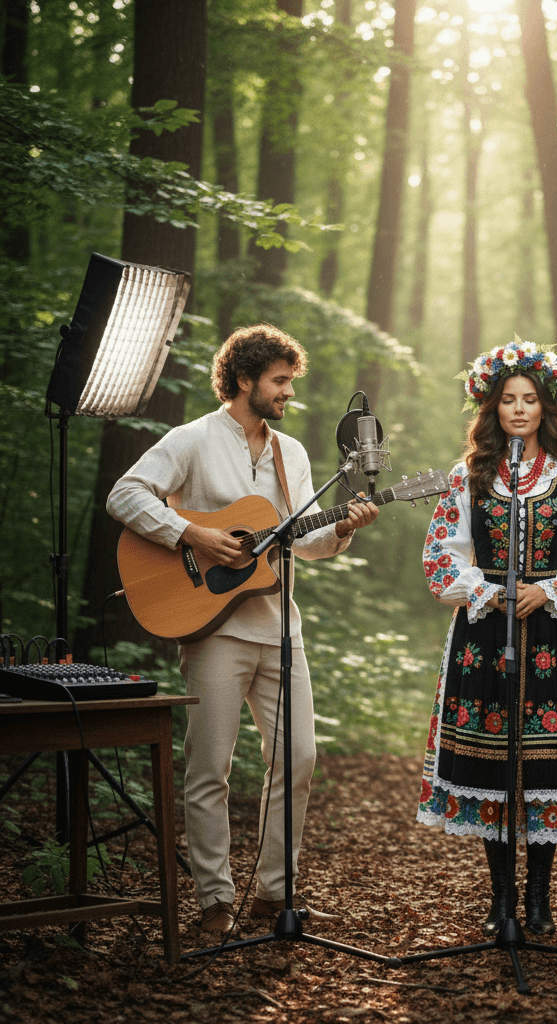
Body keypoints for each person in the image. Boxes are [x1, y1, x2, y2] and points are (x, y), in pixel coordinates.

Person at [107, 324, 379, 936]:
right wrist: (193, 534)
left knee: (299, 758)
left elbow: (305, 543)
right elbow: (124, 495)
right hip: (214, 631)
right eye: (280, 381)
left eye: (290, 381)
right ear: (244, 380)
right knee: (210, 768)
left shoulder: (294, 455)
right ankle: (214, 902)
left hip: (281, 627)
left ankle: (274, 894)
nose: (288, 392)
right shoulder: (192, 440)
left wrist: (345, 528)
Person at [416, 340, 557, 936]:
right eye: (507, 399)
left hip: (553, 636)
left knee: (544, 769)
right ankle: (500, 898)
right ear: (491, 407)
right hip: (484, 634)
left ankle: (539, 897)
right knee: (489, 766)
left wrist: (551, 588)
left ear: (547, 408)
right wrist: (486, 592)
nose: (517, 409)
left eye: (529, 399)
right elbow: (439, 558)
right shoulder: (469, 476)